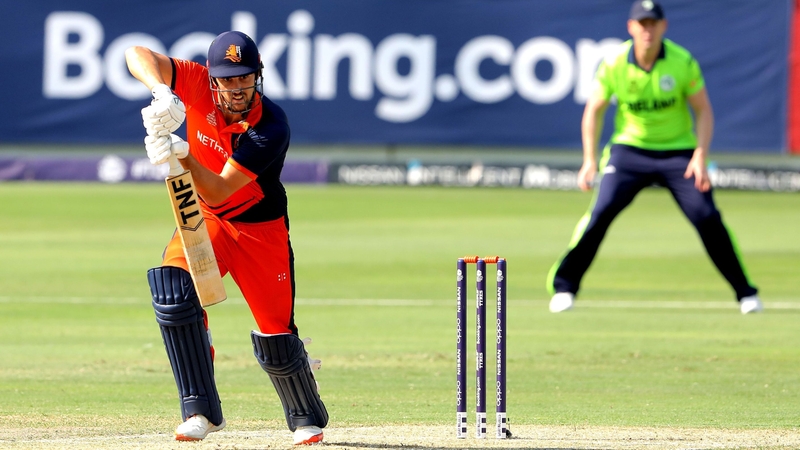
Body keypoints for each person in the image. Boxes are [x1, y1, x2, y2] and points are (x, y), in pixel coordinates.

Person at [125, 31, 328, 445]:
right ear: (213, 78)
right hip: (207, 221)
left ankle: (306, 411)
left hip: (260, 231)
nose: (237, 88)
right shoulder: (197, 84)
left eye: (245, 78)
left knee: (276, 335)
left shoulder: (271, 126)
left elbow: (219, 187)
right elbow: (136, 53)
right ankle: (200, 410)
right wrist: (162, 92)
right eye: (228, 79)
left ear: (259, 76)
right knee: (172, 292)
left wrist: (179, 153)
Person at [547, 0, 762, 315]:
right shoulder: (614, 62)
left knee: (706, 216)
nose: (648, 30)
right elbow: (594, 110)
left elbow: (703, 111)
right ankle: (564, 287)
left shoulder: (681, 61)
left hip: (679, 153)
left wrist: (700, 155)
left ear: (663, 26)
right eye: (642, 24)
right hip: (630, 150)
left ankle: (745, 293)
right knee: (601, 213)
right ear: (631, 27)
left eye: (653, 23)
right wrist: (590, 160)